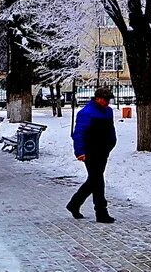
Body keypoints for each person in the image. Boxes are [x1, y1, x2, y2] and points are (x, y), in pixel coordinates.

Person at [66, 87, 117, 224]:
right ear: (98, 98)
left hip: (103, 150)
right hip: (90, 151)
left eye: (108, 100)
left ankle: (74, 204)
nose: (107, 102)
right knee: (98, 181)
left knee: (93, 181)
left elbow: (111, 129)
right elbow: (79, 133)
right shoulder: (86, 113)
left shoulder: (108, 111)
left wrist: (112, 143)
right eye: (105, 100)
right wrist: (80, 151)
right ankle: (101, 212)